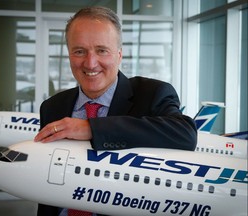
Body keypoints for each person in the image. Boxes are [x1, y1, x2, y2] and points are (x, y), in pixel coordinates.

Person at [34, 6, 197, 216]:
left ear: (119, 55)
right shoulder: (52, 107)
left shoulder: (152, 93)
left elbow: (185, 135)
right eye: (79, 51)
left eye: (102, 50)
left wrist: (91, 128)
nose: (90, 62)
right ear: (69, 55)